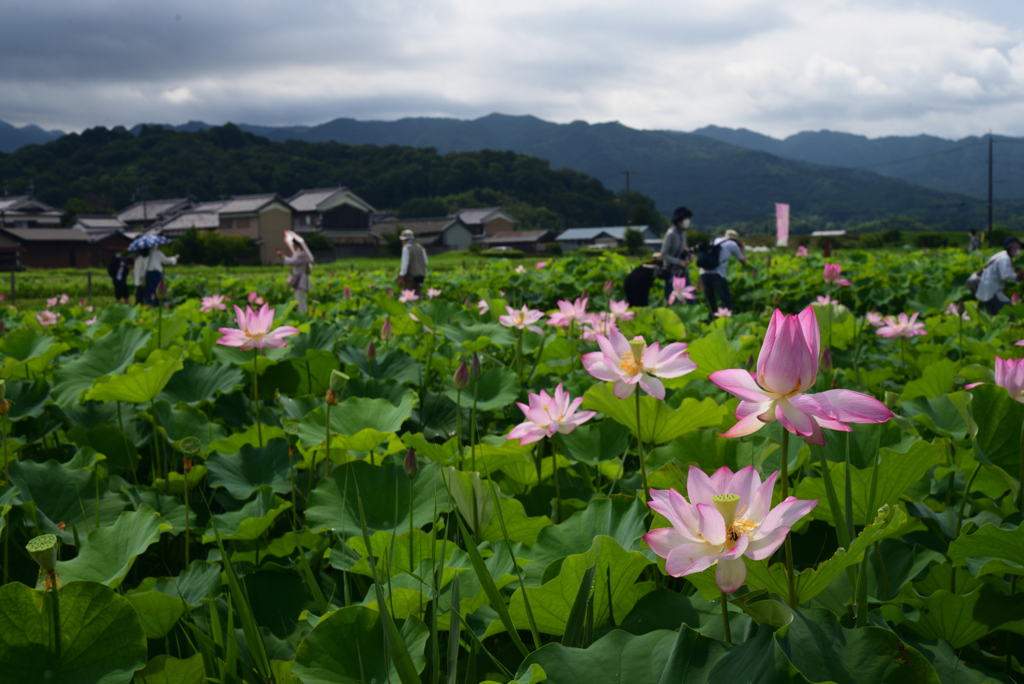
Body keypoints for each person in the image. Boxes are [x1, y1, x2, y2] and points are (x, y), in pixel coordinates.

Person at [697, 229, 756, 318]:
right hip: (718, 274)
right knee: (726, 301)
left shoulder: (716, 240)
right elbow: (743, 261)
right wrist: (742, 249)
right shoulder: (733, 245)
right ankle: (727, 322)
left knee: (710, 301)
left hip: (703, 273)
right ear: (736, 239)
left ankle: (710, 322)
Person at [975, 236, 1023, 315]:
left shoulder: (1000, 255)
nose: (1019, 250)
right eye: (1018, 247)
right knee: (1011, 313)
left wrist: (1017, 276)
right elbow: (1006, 275)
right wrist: (1017, 276)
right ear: (1011, 247)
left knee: (994, 316)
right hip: (992, 291)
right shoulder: (1005, 258)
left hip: (986, 290)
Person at [660, 207, 693, 302]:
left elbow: (683, 250)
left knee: (691, 300)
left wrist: (689, 255)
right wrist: (678, 262)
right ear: (679, 221)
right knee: (672, 301)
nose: (688, 221)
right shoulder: (670, 234)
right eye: (686, 219)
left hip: (683, 271)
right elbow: (663, 254)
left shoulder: (683, 234)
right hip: (671, 272)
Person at [276, 237, 311, 314]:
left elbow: (291, 262)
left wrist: (282, 255)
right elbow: (291, 260)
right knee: (298, 301)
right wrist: (283, 256)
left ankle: (303, 318)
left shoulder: (301, 254)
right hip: (298, 281)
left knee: (300, 302)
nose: (293, 246)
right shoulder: (300, 254)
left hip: (300, 281)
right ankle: (303, 316)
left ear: (298, 245)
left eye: (294, 244)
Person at [398, 229, 428, 294]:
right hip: (421, 277)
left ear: (404, 240)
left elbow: (404, 265)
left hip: (410, 278)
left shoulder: (406, 248)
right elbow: (426, 262)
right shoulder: (421, 248)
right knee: (418, 297)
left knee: (409, 299)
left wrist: (401, 276)